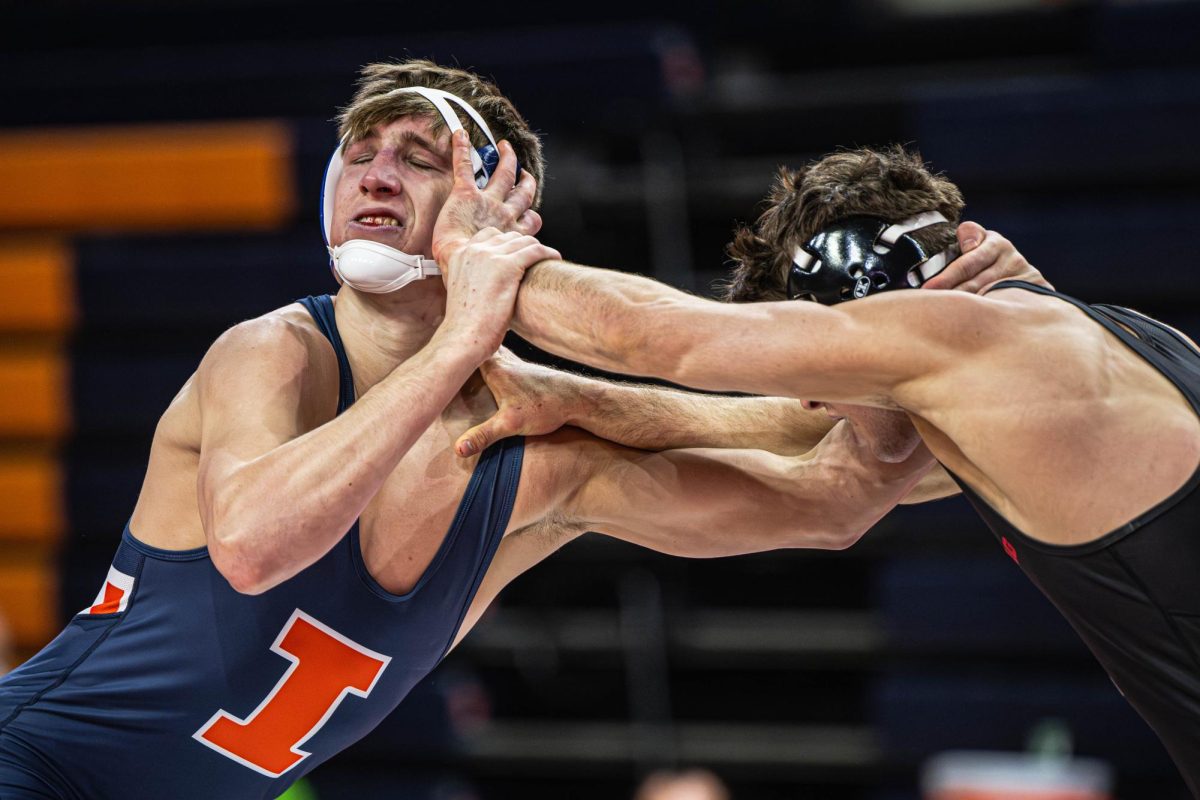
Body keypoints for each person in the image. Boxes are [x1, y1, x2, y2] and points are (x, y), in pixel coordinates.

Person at [0, 62, 1031, 800]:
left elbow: (835, 500)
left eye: (417, 158)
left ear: (494, 208)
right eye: (359, 155)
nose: (374, 174)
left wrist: (945, 345)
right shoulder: (272, 353)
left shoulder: (534, 467)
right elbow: (252, 544)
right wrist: (463, 337)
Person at [434, 144, 1200, 795]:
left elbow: (654, 337)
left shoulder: (965, 343)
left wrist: (474, 252)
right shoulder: (1094, 351)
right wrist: (580, 400)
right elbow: (806, 444)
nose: (809, 398)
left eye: (819, 371)